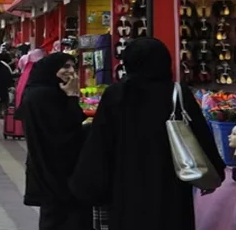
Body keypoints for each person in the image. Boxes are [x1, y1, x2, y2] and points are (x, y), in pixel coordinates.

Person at [69, 37, 224, 230]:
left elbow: (100, 145)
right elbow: (201, 137)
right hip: (171, 185)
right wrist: (214, 170)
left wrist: (91, 186)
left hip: (127, 185)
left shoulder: (117, 94)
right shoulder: (177, 93)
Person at [15, 52, 90, 230]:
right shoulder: (47, 96)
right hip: (58, 167)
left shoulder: (39, 91)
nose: (71, 71)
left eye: (73, 66)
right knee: (63, 217)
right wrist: (71, 96)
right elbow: (67, 127)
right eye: (65, 67)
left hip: (45, 165)